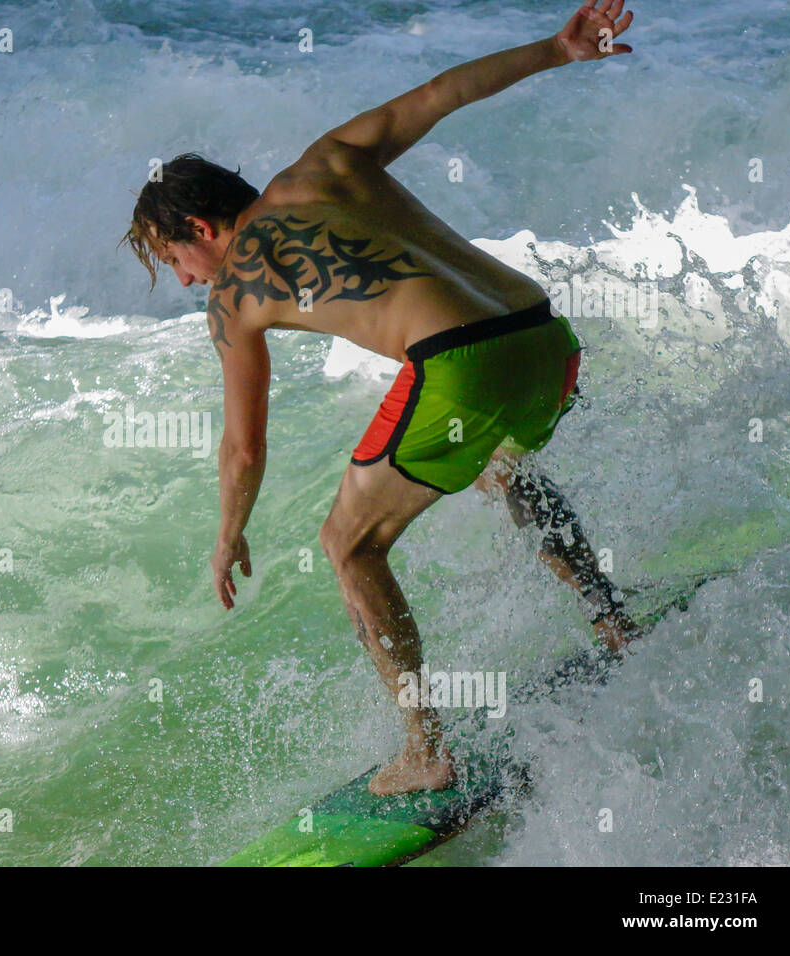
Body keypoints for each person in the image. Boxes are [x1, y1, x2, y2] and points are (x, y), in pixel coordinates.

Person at [122, 1, 639, 794]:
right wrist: (558, 49)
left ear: (198, 225)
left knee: (349, 546)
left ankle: (423, 749)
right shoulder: (328, 162)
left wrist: (227, 536)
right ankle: (612, 621)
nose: (187, 280)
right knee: (506, 470)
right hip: (545, 340)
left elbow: (243, 449)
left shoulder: (233, 296)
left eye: (177, 258)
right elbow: (440, 92)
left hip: (460, 362)